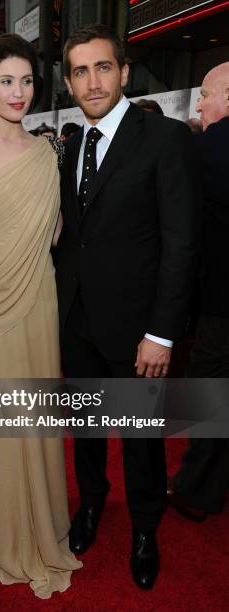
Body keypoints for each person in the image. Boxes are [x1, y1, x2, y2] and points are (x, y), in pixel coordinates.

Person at [55, 24, 199, 590]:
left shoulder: (163, 140)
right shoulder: (70, 144)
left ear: (124, 71)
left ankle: (145, 528)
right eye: (81, 71)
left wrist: (162, 334)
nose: (93, 82)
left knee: (140, 438)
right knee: (87, 430)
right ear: (69, 81)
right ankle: (90, 506)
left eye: (103, 68)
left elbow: (182, 242)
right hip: (78, 321)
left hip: (139, 329)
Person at [0, 33, 82, 599]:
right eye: (6, 81)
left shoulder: (48, 154)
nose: (18, 92)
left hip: (39, 302)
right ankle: (7, 535)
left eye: (27, 81)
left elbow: (53, 233)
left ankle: (46, 527)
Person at [168, 62, 229, 522]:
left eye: (205, 94)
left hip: (220, 307)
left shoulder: (203, 151)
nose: (199, 104)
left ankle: (195, 491)